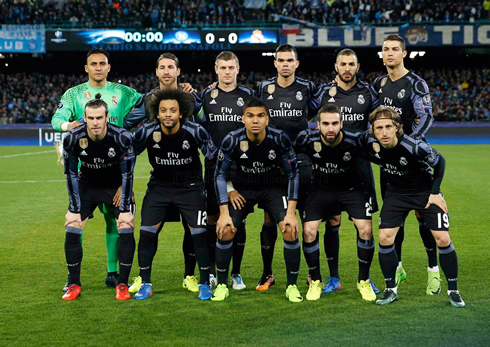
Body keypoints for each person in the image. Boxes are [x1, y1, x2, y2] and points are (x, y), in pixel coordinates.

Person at [52, 48, 144, 291]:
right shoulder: (74, 94)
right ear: (86, 68)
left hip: (116, 172)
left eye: (102, 63)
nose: (98, 67)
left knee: (114, 222)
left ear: (109, 67)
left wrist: (174, 87)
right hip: (87, 171)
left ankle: (113, 273)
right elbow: (57, 117)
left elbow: (147, 104)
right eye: (93, 64)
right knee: (75, 221)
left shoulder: (122, 92)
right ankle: (73, 279)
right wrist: (67, 124)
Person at [362, 107, 464, 308]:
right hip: (397, 194)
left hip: (424, 193)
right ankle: (391, 289)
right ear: (373, 130)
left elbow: (440, 161)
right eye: (379, 128)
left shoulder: (414, 146)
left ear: (397, 128)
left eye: (388, 127)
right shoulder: (369, 143)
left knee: (442, 238)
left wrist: (435, 192)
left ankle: (454, 291)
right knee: (385, 237)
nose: (384, 132)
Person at [126, 53, 203, 295]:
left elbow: (207, 121)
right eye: (162, 67)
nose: (167, 71)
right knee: (150, 229)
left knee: (192, 230)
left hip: (189, 178)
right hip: (160, 176)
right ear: (157, 72)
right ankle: (143, 277)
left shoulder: (191, 96)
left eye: (171, 67)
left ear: (178, 71)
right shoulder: (147, 99)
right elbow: (127, 121)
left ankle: (190, 276)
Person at [213, 98, 302, 302]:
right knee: (226, 229)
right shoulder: (232, 139)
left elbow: (293, 173)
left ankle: (291, 286)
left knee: (289, 229)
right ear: (243, 119)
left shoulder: (280, 139)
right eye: (250, 116)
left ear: (267, 120)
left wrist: (291, 212)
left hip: (272, 188)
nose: (256, 120)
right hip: (243, 189)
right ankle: (222, 285)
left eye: (260, 116)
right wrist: (225, 210)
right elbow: (219, 174)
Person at [132, 89, 217, 301]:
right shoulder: (147, 132)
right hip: (159, 187)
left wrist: (209, 187)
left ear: (181, 113)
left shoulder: (195, 131)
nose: (168, 114)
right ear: (157, 114)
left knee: (199, 233)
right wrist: (123, 186)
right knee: (146, 232)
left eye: (172, 110)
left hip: (190, 188)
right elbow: (128, 154)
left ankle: (205, 282)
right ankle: (145, 282)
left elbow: (215, 157)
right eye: (163, 111)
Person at [372, 34, 440, 295]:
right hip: (388, 164)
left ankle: (433, 271)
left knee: (424, 217)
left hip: (414, 161)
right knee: (393, 218)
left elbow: (425, 116)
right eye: (386, 49)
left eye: (394, 49)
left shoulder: (415, 83)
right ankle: (398, 267)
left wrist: (409, 144)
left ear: (404, 53)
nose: (390, 54)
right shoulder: (379, 83)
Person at [313, 48, 380, 294]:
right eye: (343, 64)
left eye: (351, 64)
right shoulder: (323, 92)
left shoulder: (368, 92)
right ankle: (333, 277)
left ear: (358, 66)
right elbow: (301, 115)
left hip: (359, 166)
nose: (347, 68)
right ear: (336, 66)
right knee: (332, 221)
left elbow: (385, 114)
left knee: (365, 226)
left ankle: (365, 278)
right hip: (329, 167)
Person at [294, 103, 376, 302]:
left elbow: (379, 159)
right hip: (321, 189)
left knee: (365, 229)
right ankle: (315, 281)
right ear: (318, 125)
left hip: (351, 189)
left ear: (342, 124)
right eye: (325, 124)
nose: (330, 128)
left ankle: (363, 281)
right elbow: (292, 160)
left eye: (334, 123)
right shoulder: (306, 139)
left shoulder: (356, 140)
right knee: (308, 231)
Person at [255, 44, 319, 291]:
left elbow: (313, 110)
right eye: (280, 60)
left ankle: (313, 275)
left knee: (306, 218)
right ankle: (267, 273)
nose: (285, 64)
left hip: (301, 159)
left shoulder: (307, 88)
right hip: (272, 161)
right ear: (275, 63)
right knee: (270, 216)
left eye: (289, 60)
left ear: (296, 64)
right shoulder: (263, 88)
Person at [61, 94, 136, 301]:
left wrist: (125, 205)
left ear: (107, 117)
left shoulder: (122, 138)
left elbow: (127, 174)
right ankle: (74, 284)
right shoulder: (73, 138)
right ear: (84, 117)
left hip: (115, 187)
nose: (95, 123)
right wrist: (74, 208)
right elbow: (71, 175)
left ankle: (122, 283)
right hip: (88, 186)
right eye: (91, 118)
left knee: (125, 224)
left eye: (99, 118)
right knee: (72, 225)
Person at [195, 51, 255, 290]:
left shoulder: (249, 95)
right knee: (212, 219)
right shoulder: (206, 95)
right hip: (213, 166)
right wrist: (209, 152)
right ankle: (211, 272)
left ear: (237, 69)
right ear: (216, 69)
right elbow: (198, 128)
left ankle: (236, 273)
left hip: (243, 167)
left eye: (231, 68)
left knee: (238, 220)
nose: (227, 72)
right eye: (223, 68)